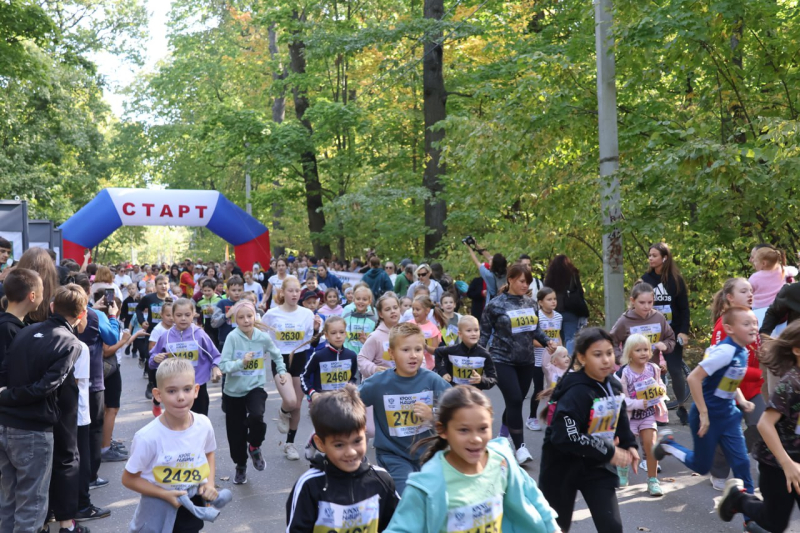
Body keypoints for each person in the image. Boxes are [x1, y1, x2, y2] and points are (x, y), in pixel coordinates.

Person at [384, 386, 560, 533]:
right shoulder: (427, 485)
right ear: (442, 430)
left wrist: (553, 529)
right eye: (463, 430)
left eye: (483, 428)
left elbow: (535, 499)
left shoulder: (501, 462)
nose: (475, 439)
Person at [652, 307, 759, 531]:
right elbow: (694, 378)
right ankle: (668, 444)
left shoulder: (742, 350)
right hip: (707, 415)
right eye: (746, 324)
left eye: (754, 323)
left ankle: (751, 519)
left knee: (741, 464)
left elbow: (730, 378)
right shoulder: (724, 351)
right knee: (701, 466)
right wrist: (703, 413)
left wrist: (741, 399)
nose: (753, 327)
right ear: (729, 329)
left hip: (728, 415)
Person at [0, 284, 87, 533]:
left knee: (9, 501)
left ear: (51, 307)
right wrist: (9, 397)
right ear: (81, 314)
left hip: (7, 423)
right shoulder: (71, 343)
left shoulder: (26, 330)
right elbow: (45, 387)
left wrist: (5, 396)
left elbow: (4, 371)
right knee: (31, 505)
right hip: (32, 430)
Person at [539, 327, 639, 533]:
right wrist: (610, 451)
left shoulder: (612, 386)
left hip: (596, 466)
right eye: (597, 355)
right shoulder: (576, 392)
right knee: (554, 529)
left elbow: (619, 418)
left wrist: (630, 445)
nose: (606, 360)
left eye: (609, 353)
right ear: (582, 358)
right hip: (561, 468)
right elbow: (567, 436)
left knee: (612, 528)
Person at [122, 358, 231, 533]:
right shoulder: (147, 437)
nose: (181, 397)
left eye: (187, 389)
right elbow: (128, 478)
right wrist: (164, 494)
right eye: (172, 391)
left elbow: (209, 453)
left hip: (191, 504)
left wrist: (209, 484)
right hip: (157, 507)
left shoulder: (203, 424)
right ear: (158, 394)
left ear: (196, 390)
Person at [718, 321, 800, 532]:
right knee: (775, 521)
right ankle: (738, 498)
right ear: (797, 350)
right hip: (777, 463)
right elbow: (765, 424)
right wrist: (787, 463)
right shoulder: (791, 384)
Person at [286, 384, 399, 532]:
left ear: (364, 433)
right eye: (339, 445)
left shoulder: (382, 480)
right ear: (320, 443)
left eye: (357, 441)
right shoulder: (309, 486)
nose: (351, 452)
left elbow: (398, 525)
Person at [358, 323, 451, 494]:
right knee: (408, 494)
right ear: (392, 353)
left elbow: (456, 409)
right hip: (393, 454)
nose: (413, 355)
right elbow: (351, 401)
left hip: (428, 453)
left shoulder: (432, 380)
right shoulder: (378, 383)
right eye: (406, 350)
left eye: (418, 349)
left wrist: (433, 416)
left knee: (433, 496)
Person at [479, 263, 556, 464]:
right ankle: (520, 448)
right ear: (510, 279)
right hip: (501, 359)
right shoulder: (495, 305)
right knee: (514, 399)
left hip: (526, 361)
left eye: (528, 282)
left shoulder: (531, 304)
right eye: (522, 281)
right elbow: (484, 334)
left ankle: (502, 437)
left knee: (516, 401)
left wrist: (547, 341)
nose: (525, 285)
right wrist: (477, 359)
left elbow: (535, 331)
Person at [218, 300, 285, 485]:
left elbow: (276, 354)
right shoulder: (232, 337)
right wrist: (241, 363)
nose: (246, 320)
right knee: (236, 433)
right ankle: (240, 465)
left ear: (255, 316)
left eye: (250, 316)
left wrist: (281, 370)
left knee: (257, 415)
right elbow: (223, 366)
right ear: (235, 320)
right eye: (241, 317)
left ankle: (254, 445)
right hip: (233, 392)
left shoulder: (262, 337)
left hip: (255, 387)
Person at [708, 278, 764, 491]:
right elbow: (722, 365)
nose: (750, 294)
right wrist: (755, 373)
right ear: (729, 297)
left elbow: (756, 351)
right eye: (744, 291)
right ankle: (719, 472)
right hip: (727, 389)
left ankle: (758, 459)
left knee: (761, 425)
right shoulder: (723, 326)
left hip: (752, 389)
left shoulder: (752, 319)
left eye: (751, 290)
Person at [263, 276, 315, 461]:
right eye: (290, 290)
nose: (294, 294)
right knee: (291, 401)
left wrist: (317, 330)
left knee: (298, 405)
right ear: (283, 292)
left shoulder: (307, 314)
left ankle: (290, 444)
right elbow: (262, 336)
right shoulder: (272, 314)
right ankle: (283, 412)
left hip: (300, 358)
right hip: (280, 360)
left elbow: (313, 340)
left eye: (297, 290)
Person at [641, 242, 690, 421]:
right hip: (650, 333)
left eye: (654, 255)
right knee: (649, 371)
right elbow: (637, 305)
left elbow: (684, 309)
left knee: (676, 370)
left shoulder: (676, 280)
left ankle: (682, 406)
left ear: (665, 258)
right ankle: (654, 410)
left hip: (672, 332)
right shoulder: (645, 280)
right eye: (649, 255)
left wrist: (683, 331)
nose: (651, 258)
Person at [149, 299, 222, 416]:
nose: (183, 318)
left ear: (193, 314)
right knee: (178, 422)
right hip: (174, 388)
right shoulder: (165, 336)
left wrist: (215, 367)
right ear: (173, 316)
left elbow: (215, 355)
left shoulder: (199, 334)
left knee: (200, 421)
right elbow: (152, 360)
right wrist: (155, 359)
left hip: (197, 386)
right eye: (179, 315)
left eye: (187, 315)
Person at [617, 334, 668, 497]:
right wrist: (637, 403)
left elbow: (660, 385)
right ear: (629, 353)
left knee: (650, 444)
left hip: (648, 415)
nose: (643, 353)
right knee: (627, 445)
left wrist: (660, 392)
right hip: (629, 417)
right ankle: (623, 470)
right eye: (638, 350)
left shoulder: (653, 368)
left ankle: (652, 480)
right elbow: (620, 399)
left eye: (646, 349)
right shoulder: (623, 373)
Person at [609, 281, 675, 367]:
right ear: (633, 300)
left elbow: (671, 338)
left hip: (654, 368)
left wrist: (665, 345)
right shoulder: (625, 320)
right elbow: (611, 342)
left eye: (650, 302)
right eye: (642, 302)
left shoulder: (659, 317)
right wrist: (620, 358)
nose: (646, 306)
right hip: (632, 370)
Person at [527, 287, 563, 432]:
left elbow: (558, 336)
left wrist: (560, 350)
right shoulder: (537, 317)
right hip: (538, 359)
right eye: (549, 299)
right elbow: (531, 339)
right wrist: (547, 345)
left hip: (554, 360)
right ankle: (532, 418)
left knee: (554, 389)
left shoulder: (559, 317)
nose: (553, 302)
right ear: (540, 302)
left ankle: (553, 417)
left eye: (554, 299)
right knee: (539, 389)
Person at [300, 316, 359, 399]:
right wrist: (312, 393)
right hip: (323, 402)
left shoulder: (351, 356)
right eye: (333, 333)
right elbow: (304, 376)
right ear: (326, 335)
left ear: (345, 333)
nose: (338, 336)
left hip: (345, 401)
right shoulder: (318, 355)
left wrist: (351, 390)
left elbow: (352, 378)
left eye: (341, 332)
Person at [434, 315, 496, 390]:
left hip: (474, 395)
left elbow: (493, 379)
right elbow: (437, 352)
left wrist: (481, 380)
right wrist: (443, 372)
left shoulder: (484, 354)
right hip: (454, 392)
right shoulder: (452, 350)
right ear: (460, 334)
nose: (473, 333)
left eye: (476, 330)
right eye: (469, 330)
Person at [137, 275, 170, 414]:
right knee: (150, 355)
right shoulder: (149, 298)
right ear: (155, 285)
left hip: (169, 332)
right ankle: (151, 382)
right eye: (160, 284)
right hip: (152, 332)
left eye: (166, 283)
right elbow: (139, 309)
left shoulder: (172, 300)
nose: (163, 286)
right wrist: (142, 321)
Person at [544, 254, 589, 355]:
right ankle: (569, 363)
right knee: (570, 338)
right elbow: (580, 292)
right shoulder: (572, 274)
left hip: (554, 312)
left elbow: (545, 292)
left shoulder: (550, 277)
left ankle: (557, 362)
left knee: (556, 338)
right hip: (570, 311)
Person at [0, 269, 42, 371]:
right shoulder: (7, 328)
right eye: (42, 292)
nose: (42, 297)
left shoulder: (18, 325)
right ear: (32, 296)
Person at [410, 295, 444, 371]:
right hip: (411, 364)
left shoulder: (433, 328)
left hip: (428, 368)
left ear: (427, 311)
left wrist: (425, 346)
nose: (414, 312)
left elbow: (435, 351)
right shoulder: (409, 325)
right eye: (413, 309)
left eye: (417, 309)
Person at [211, 275, 244, 349]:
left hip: (242, 341)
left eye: (239, 290)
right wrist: (226, 315)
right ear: (227, 290)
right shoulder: (222, 303)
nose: (237, 293)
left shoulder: (245, 304)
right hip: (225, 341)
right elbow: (213, 323)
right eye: (234, 290)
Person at [344, 286, 377, 355]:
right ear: (354, 300)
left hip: (366, 355)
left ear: (369, 302)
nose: (361, 301)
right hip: (349, 355)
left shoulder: (374, 320)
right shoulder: (346, 317)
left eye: (364, 299)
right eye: (358, 299)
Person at [196, 279, 222, 349]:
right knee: (210, 341)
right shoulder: (200, 301)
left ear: (214, 290)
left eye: (209, 290)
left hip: (218, 323)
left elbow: (222, 311)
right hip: (207, 324)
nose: (207, 293)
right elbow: (197, 310)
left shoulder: (219, 299)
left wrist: (214, 311)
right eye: (205, 291)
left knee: (218, 341)